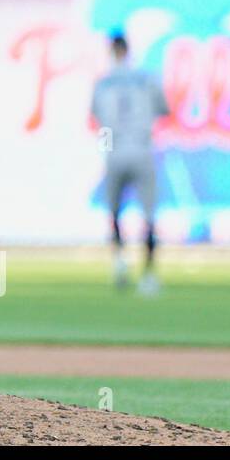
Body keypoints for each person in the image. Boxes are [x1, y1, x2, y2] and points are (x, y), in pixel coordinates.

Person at [90, 32, 169, 295]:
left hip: (114, 152)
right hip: (142, 150)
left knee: (114, 212)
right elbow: (164, 110)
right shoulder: (146, 79)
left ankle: (120, 263)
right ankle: (148, 276)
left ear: (112, 50)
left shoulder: (103, 83)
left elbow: (96, 117)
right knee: (148, 215)